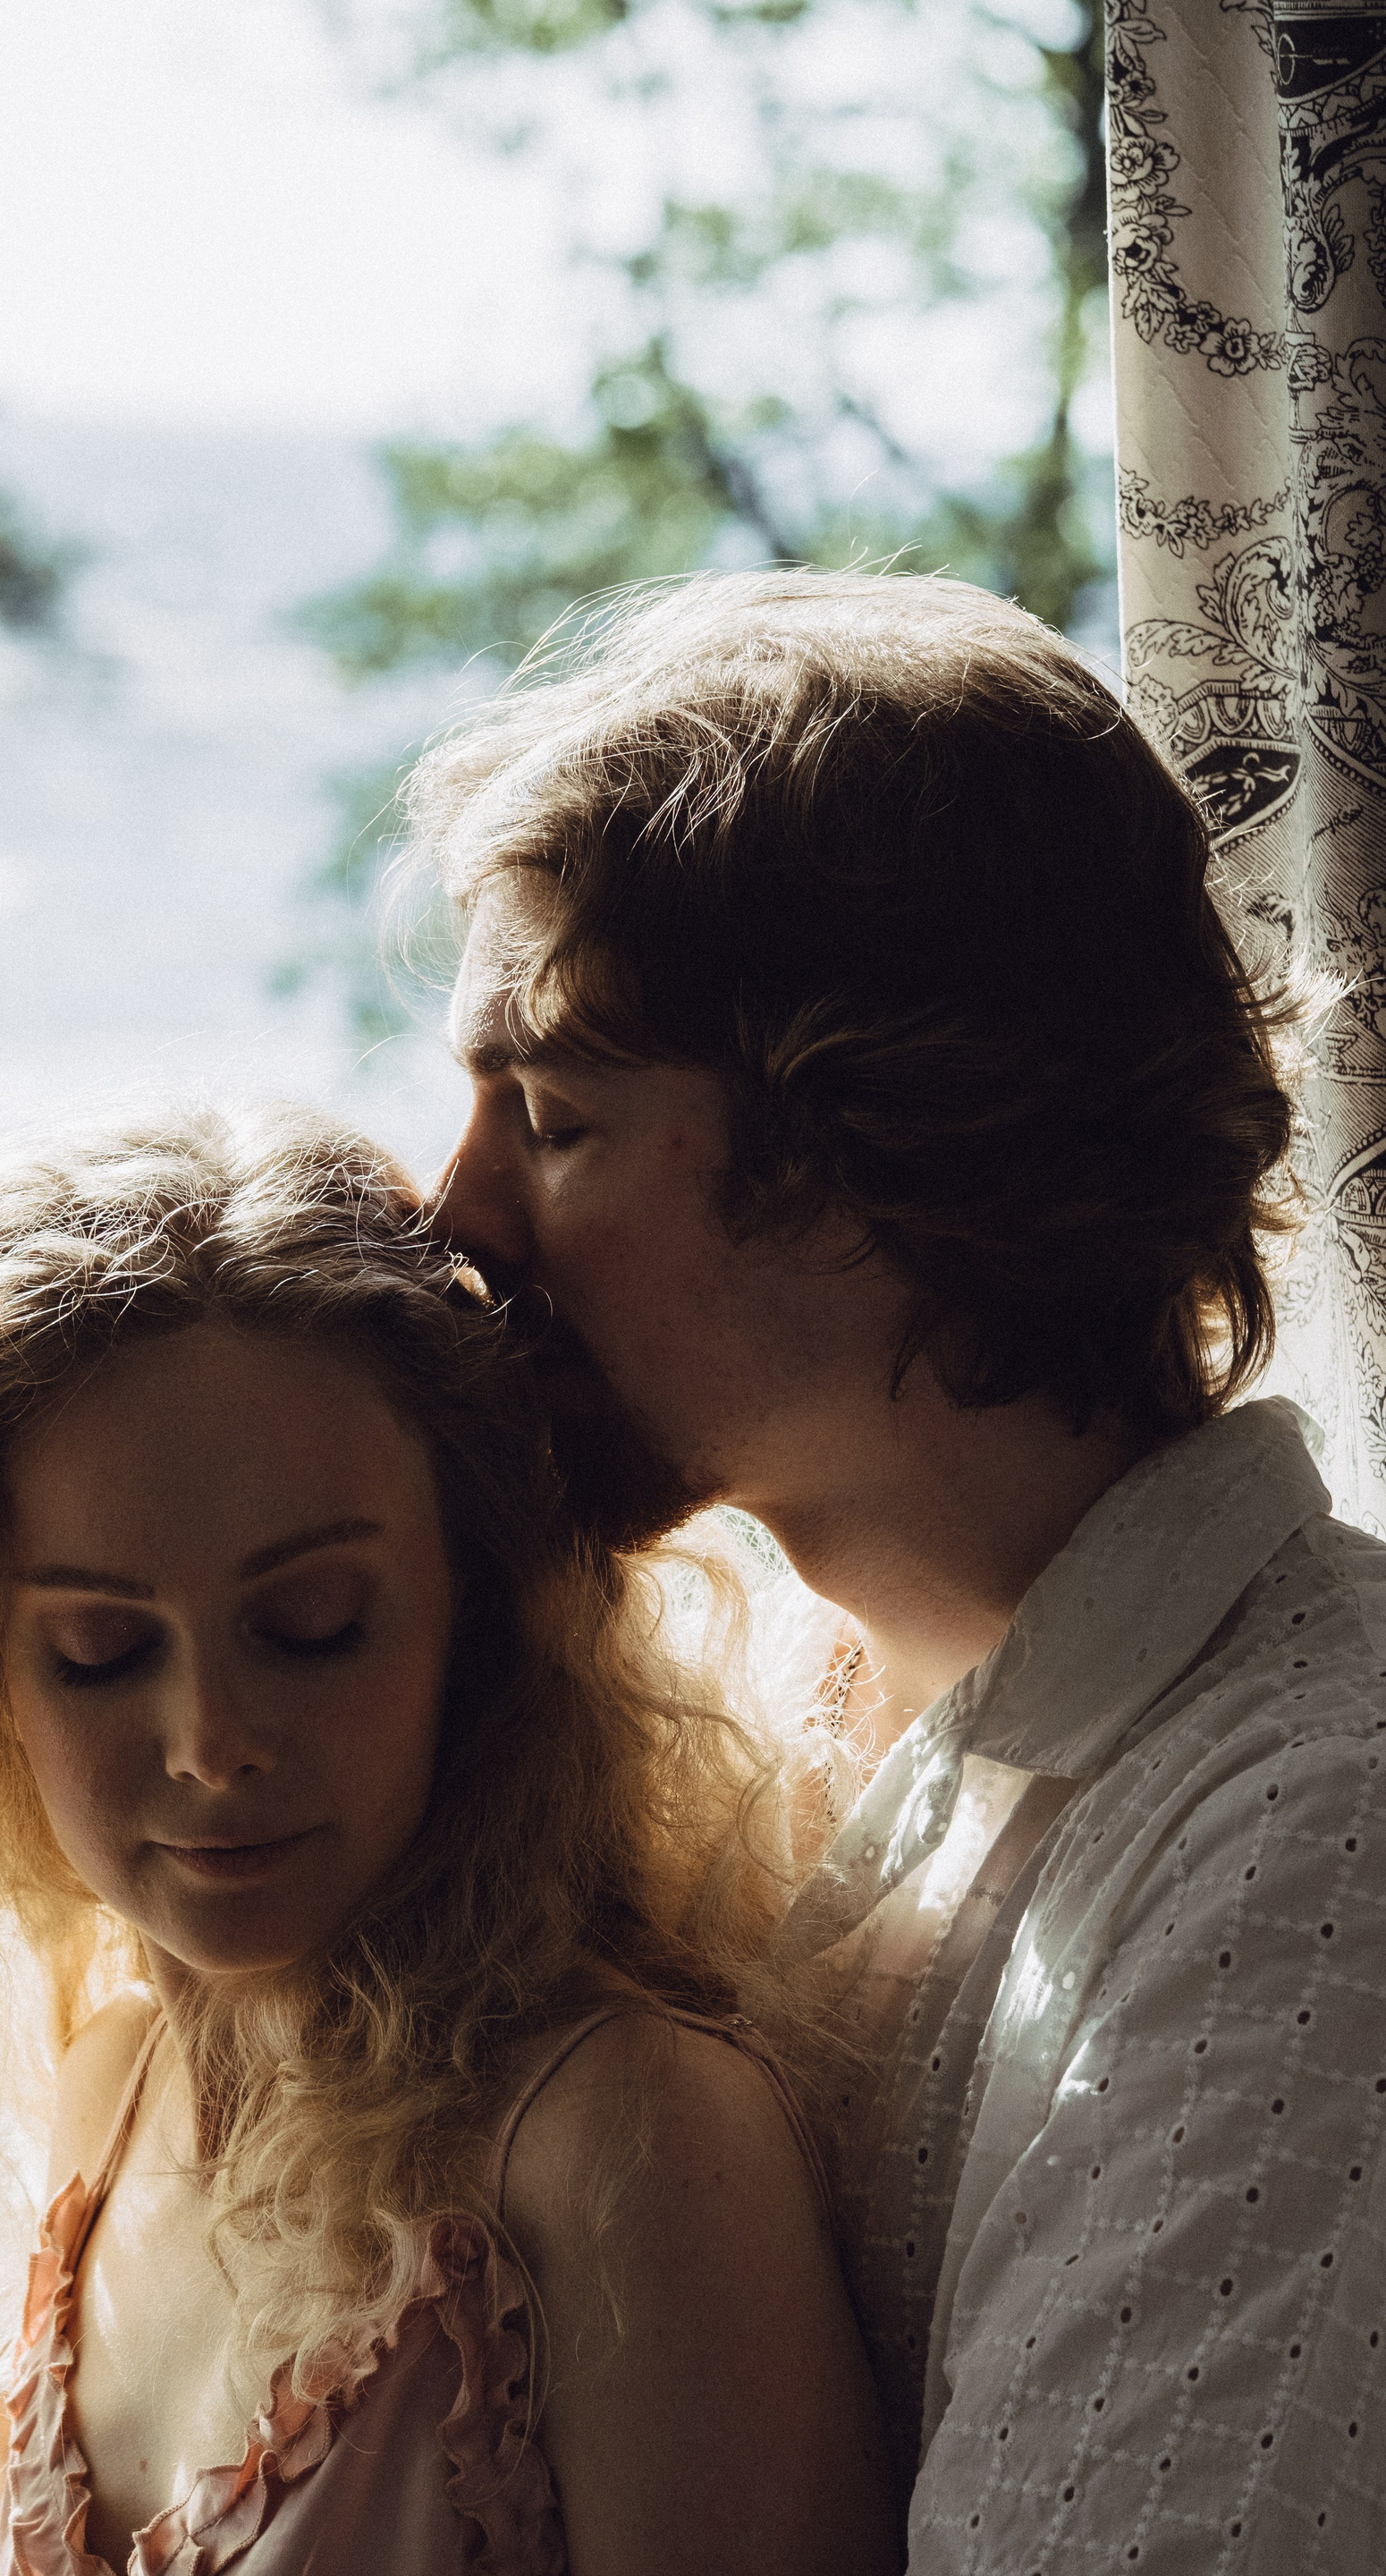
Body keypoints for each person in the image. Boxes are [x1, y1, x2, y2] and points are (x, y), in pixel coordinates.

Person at [425, 567, 1386, 2569]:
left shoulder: (1314, 1852)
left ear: (865, 1156)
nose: (457, 1215)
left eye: (555, 1117)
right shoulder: (743, 1706)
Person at [0, 1107, 894, 2576]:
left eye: (313, 1624)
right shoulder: (104, 2090)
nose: (212, 1740)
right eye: (103, 1648)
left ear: (478, 1616)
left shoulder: (619, 2141)